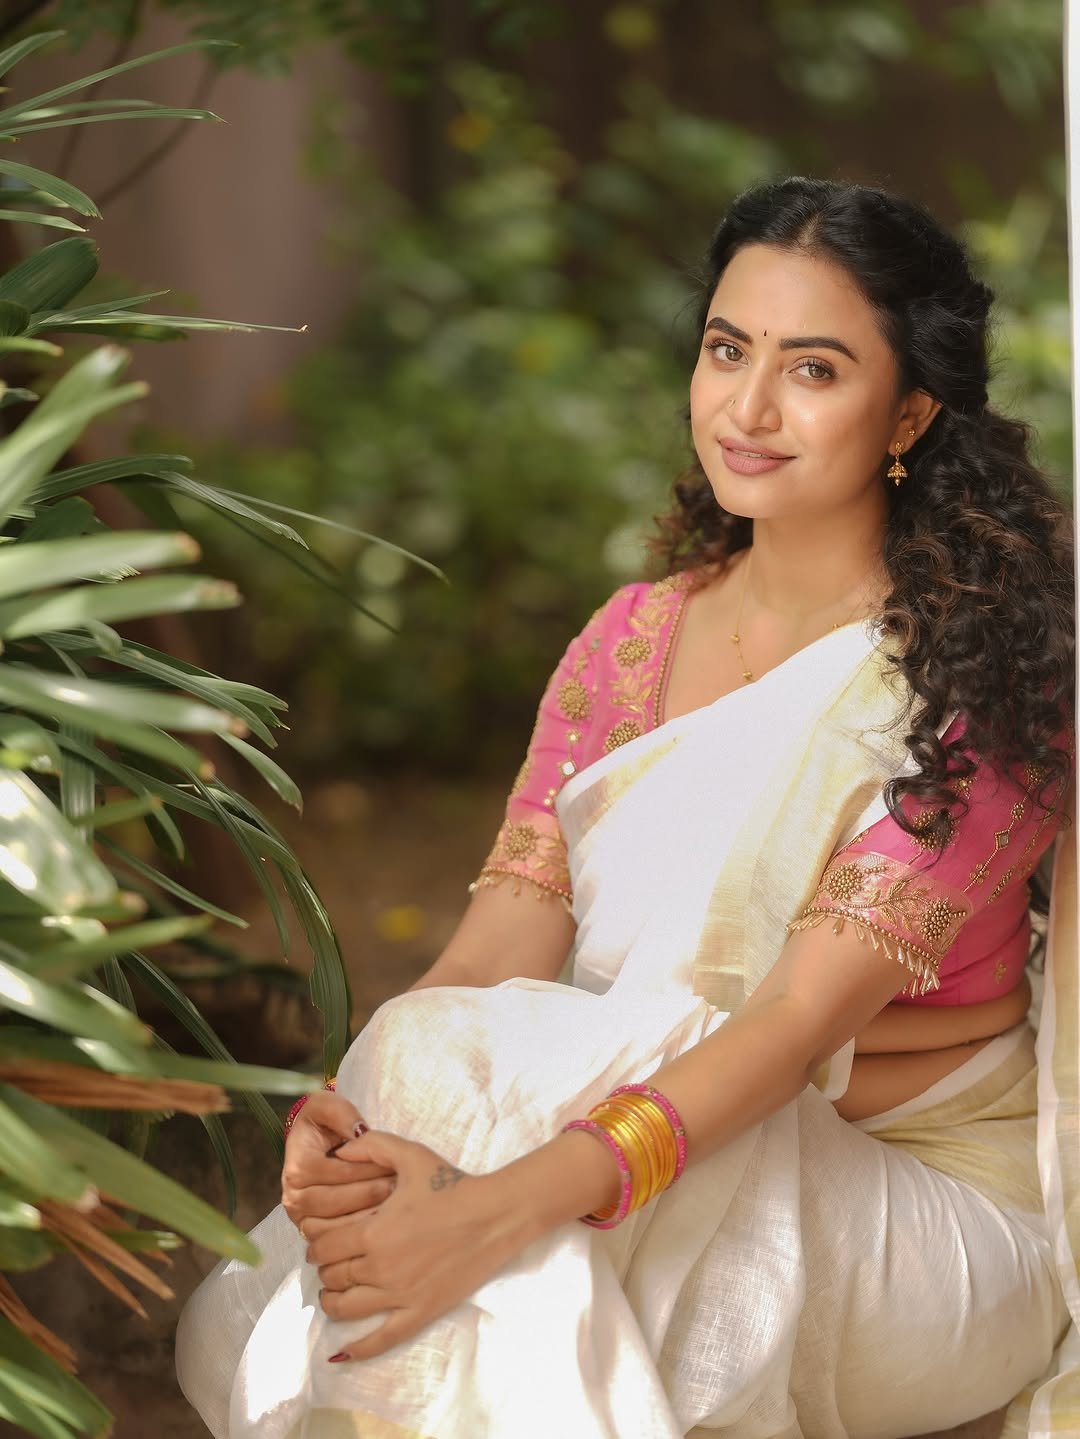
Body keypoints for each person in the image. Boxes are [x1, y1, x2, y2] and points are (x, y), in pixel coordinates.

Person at [175, 177, 1077, 1439]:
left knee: (466, 1259)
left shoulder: (980, 674)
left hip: (923, 1221)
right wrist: (354, 1098)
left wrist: (491, 1206)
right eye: (725, 350)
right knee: (443, 1100)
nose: (747, 409)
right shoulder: (633, 640)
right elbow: (503, 938)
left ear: (910, 411)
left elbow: (787, 1023)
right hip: (655, 1149)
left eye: (811, 371)